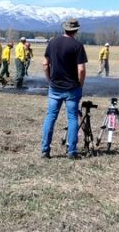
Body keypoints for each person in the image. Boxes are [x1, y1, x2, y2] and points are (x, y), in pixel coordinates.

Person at [40, 19, 88, 159]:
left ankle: (45, 150)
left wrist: (49, 80)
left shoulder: (52, 42)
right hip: (72, 88)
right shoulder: (78, 46)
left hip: (55, 88)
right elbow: (81, 70)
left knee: (50, 117)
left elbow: (45, 64)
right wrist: (81, 84)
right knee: (72, 118)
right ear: (76, 30)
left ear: (64, 29)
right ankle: (72, 151)